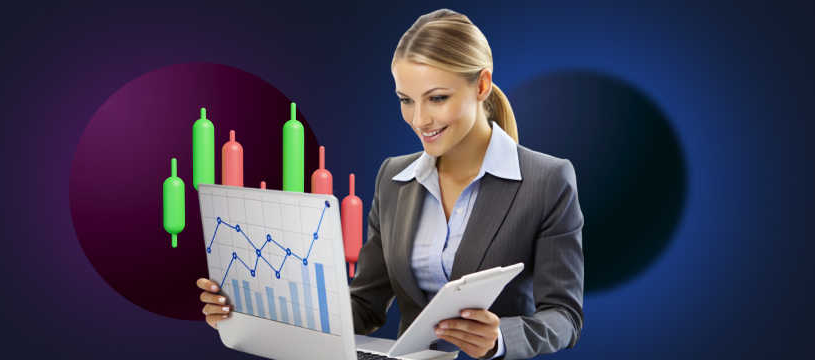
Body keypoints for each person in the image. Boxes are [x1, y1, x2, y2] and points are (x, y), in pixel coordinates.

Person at [197, 8, 584, 360]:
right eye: (405, 100)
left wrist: (501, 338)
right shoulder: (394, 179)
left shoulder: (546, 180)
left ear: (481, 86)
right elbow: (365, 307)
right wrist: (256, 312)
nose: (419, 119)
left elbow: (564, 316)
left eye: (436, 98)